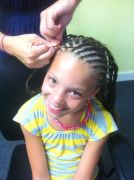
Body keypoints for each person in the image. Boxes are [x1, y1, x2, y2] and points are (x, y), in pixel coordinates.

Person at [13, 35, 118, 179]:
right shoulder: (30, 115)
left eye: (74, 92)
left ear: (92, 93)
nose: (56, 99)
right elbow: (40, 175)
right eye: (53, 80)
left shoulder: (101, 122)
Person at [0, 0, 80, 139]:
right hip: (5, 32)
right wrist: (4, 42)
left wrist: (70, 2)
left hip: (51, 25)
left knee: (57, 89)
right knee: (14, 100)